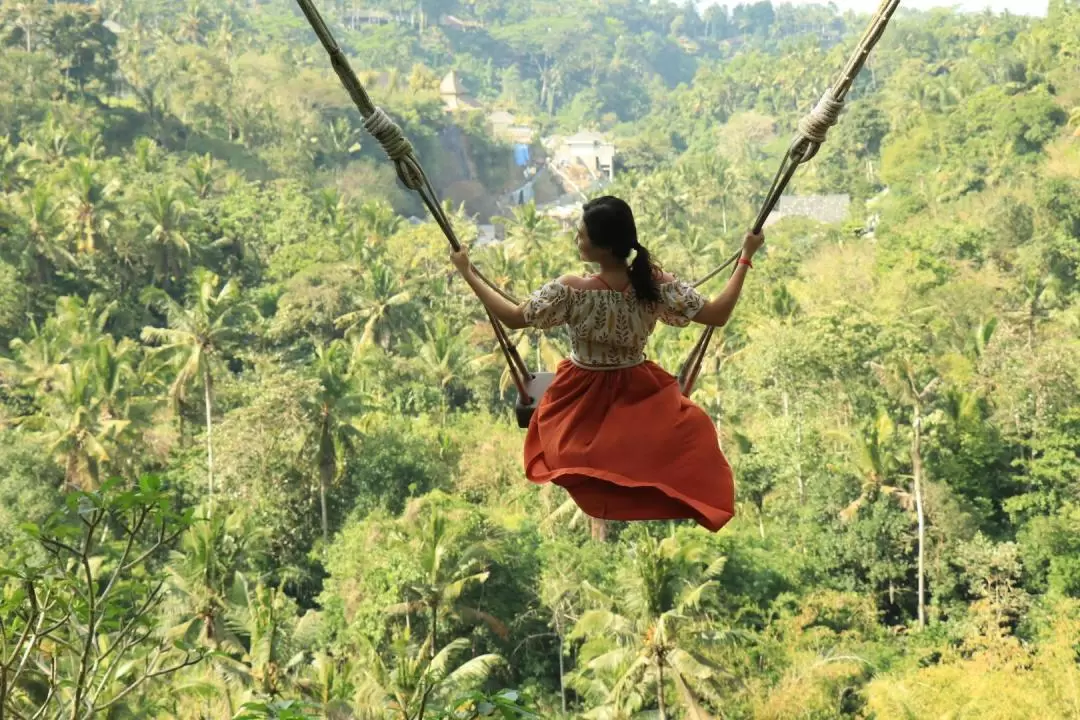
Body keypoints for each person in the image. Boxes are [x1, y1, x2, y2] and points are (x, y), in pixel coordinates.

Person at [449, 195, 764, 532]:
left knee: (574, 453)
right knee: (693, 432)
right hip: (637, 387)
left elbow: (514, 318)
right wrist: (745, 257)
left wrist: (468, 273)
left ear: (603, 248)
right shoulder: (654, 284)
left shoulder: (572, 289)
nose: (577, 239)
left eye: (582, 235)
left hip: (580, 392)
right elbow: (718, 313)